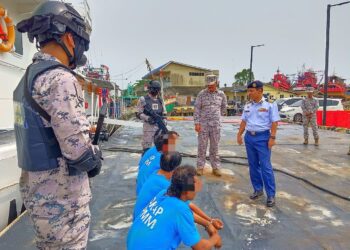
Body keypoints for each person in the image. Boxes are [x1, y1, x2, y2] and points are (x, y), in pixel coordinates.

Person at [13, 1, 102, 249]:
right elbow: (79, 153)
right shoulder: (60, 79)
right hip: (63, 202)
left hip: (38, 194)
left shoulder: (29, 77)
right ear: (70, 39)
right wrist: (96, 154)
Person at [127, 165, 222, 250]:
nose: (198, 188)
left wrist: (208, 223)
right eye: (195, 185)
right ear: (186, 191)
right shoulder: (180, 209)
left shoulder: (164, 193)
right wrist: (215, 238)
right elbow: (201, 247)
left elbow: (186, 213)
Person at [236, 81, 280, 207]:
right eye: (248, 91)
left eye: (251, 91)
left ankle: (271, 195)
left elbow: (274, 122)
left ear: (260, 91)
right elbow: (244, 121)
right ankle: (258, 189)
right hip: (249, 137)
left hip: (263, 138)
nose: (249, 93)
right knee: (253, 165)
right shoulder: (248, 105)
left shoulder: (270, 105)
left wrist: (272, 137)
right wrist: (239, 134)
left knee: (266, 166)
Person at [194, 74, 227, 177]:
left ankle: (216, 167)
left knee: (215, 147)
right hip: (203, 125)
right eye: (208, 85)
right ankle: (200, 167)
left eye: (212, 85)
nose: (210, 87)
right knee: (202, 146)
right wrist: (197, 123)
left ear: (216, 83)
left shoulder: (221, 94)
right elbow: (197, 109)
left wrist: (217, 117)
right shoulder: (201, 94)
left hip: (215, 125)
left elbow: (223, 107)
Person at [136, 80, 166, 154]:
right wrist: (147, 118)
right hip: (148, 128)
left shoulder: (160, 100)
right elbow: (138, 113)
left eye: (157, 89)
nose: (155, 91)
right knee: (147, 149)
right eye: (154, 89)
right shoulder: (143, 99)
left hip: (159, 128)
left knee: (161, 149)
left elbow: (164, 113)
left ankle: (158, 164)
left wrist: (164, 121)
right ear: (150, 89)